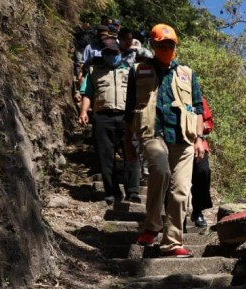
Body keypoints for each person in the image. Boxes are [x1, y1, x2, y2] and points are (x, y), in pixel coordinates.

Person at [124, 23, 205, 258]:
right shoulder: (139, 71)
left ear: (176, 46)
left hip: (184, 138)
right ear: (153, 45)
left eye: (170, 45)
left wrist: (199, 138)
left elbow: (198, 107)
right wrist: (128, 143)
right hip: (153, 134)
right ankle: (151, 226)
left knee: (181, 191)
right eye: (161, 45)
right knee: (160, 171)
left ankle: (172, 242)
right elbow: (130, 111)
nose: (166, 48)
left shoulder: (187, 73)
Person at [78, 38, 141, 205]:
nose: (111, 55)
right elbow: (87, 94)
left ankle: (133, 191)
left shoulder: (130, 71)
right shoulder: (94, 71)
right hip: (102, 117)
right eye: (107, 53)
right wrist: (84, 111)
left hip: (126, 118)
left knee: (131, 153)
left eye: (114, 52)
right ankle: (112, 192)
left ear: (119, 53)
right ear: (103, 54)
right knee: (106, 157)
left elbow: (139, 96)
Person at [190, 96, 214, 227]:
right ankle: (176, 216)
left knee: (203, 171)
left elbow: (209, 123)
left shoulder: (199, 98)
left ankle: (198, 210)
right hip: (177, 143)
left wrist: (198, 127)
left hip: (199, 143)